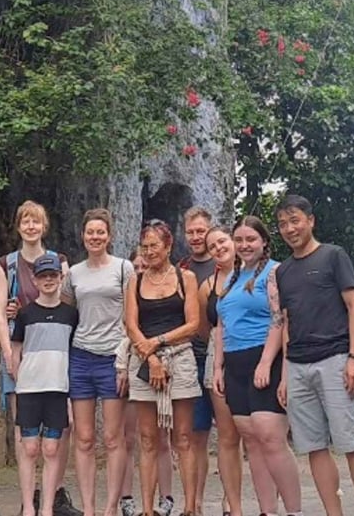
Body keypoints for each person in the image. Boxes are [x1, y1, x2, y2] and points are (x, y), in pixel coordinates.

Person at [274, 195, 354, 516]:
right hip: (298, 366)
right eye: (282, 224)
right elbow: (287, 322)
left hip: (335, 359)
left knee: (352, 442)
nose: (289, 228)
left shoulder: (334, 256)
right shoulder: (283, 272)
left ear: (310, 220)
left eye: (295, 220)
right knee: (314, 447)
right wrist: (285, 375)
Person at [0, 201, 76, 516]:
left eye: (36, 222)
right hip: (19, 347)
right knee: (24, 430)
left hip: (54, 350)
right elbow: (1, 312)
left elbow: (68, 301)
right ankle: (28, 500)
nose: (31, 227)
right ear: (18, 226)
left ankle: (53, 495)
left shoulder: (60, 262)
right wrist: (7, 353)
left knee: (57, 430)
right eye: (25, 221)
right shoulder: (7, 264)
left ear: (44, 227)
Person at [215, 217, 301, 516]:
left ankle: (294, 510)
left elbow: (281, 320)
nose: (244, 245)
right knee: (250, 439)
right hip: (234, 363)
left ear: (264, 241)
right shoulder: (230, 279)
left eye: (250, 239)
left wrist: (267, 363)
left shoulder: (274, 272)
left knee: (270, 436)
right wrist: (217, 368)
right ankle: (268, 510)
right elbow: (222, 326)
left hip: (265, 357)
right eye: (238, 240)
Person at [124, 220, 202, 516]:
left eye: (154, 245)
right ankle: (147, 509)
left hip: (179, 357)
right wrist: (151, 356)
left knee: (183, 437)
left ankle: (190, 508)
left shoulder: (186, 279)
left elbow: (193, 324)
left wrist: (158, 342)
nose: (149, 252)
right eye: (144, 247)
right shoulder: (135, 280)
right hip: (145, 361)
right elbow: (131, 324)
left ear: (168, 246)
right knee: (148, 438)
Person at [64, 209, 134, 516]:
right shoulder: (74, 274)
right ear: (83, 236)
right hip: (80, 356)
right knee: (84, 437)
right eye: (90, 232)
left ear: (110, 235)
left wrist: (125, 358)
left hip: (112, 358)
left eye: (101, 232)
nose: (95, 237)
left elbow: (132, 317)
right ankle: (89, 508)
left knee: (112, 436)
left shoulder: (123, 268)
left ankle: (110, 508)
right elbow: (66, 314)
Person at [9, 252, 81, 516]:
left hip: (58, 390)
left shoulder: (71, 314)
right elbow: (16, 350)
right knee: (29, 448)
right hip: (29, 389)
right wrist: (19, 379)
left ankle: (48, 507)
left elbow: (75, 353)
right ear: (35, 281)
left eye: (53, 275)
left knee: (51, 448)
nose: (48, 280)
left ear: (61, 278)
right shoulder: (25, 314)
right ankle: (29, 506)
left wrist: (72, 396)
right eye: (43, 276)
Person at [116, 255, 172, 516]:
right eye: (135, 268)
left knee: (161, 437)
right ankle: (128, 498)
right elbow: (126, 334)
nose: (141, 271)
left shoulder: (162, 295)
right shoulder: (127, 298)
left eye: (143, 266)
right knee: (130, 438)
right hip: (128, 368)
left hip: (161, 363)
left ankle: (166, 499)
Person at [194, 227, 243, 516]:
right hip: (217, 357)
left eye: (222, 241)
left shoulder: (254, 273)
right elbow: (203, 327)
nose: (218, 248)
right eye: (212, 246)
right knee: (227, 436)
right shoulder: (207, 285)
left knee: (258, 434)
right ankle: (230, 504)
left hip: (252, 353)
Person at [176, 209, 217, 507]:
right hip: (190, 358)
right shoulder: (181, 269)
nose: (196, 237)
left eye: (200, 231)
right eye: (191, 232)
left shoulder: (225, 265)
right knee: (196, 435)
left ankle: (231, 504)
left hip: (221, 357)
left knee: (231, 436)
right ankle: (196, 503)